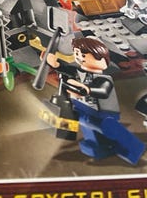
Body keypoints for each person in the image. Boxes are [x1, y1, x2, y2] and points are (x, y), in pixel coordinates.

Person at [46, 36, 145, 164]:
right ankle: (99, 147)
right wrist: (56, 64)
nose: (79, 58)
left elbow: (103, 91)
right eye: (77, 54)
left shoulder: (103, 79)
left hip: (103, 113)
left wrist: (86, 89)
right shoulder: (78, 72)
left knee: (110, 129)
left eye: (83, 55)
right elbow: (66, 70)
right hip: (82, 108)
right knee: (88, 128)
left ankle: (135, 149)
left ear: (101, 59)